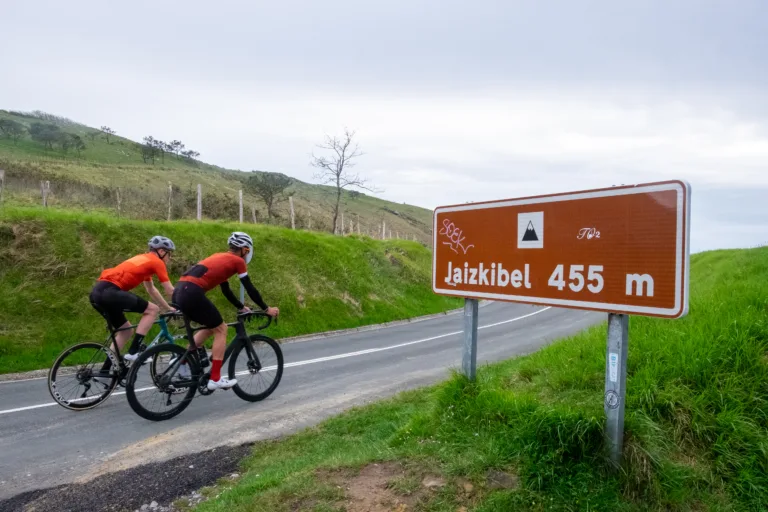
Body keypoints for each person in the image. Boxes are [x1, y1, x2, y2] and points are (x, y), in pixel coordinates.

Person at [172, 231, 279, 390]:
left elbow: (226, 290)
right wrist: (266, 308)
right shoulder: (237, 261)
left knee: (211, 327)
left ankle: (181, 360)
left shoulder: (220, 258)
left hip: (179, 291)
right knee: (222, 329)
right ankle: (215, 378)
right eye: (248, 250)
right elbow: (249, 287)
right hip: (192, 292)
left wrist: (241, 307)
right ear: (244, 250)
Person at [89, 236, 177, 372]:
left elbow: (151, 290)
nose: (169, 257)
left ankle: (105, 371)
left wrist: (168, 308)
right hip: (110, 292)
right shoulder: (157, 262)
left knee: (126, 331)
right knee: (152, 310)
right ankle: (134, 351)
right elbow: (170, 290)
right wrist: (186, 304)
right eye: (169, 253)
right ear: (161, 251)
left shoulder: (144, 260)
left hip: (97, 293)